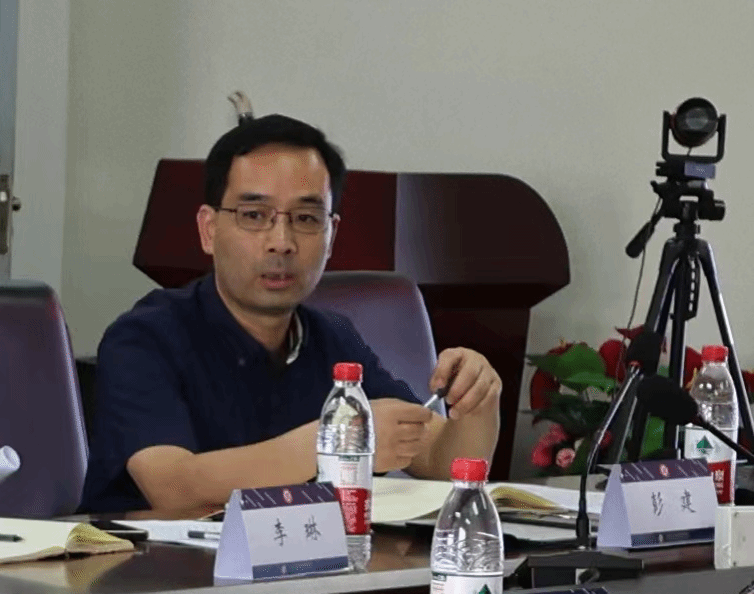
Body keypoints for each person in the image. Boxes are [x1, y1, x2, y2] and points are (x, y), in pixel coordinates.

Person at [80, 114, 501, 514]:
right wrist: (332, 442)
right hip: (161, 563)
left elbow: (441, 461)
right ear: (209, 229)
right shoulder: (145, 338)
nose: (281, 242)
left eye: (305, 218)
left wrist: (477, 401)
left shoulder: (333, 338)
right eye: (254, 216)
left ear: (331, 235)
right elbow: (172, 487)